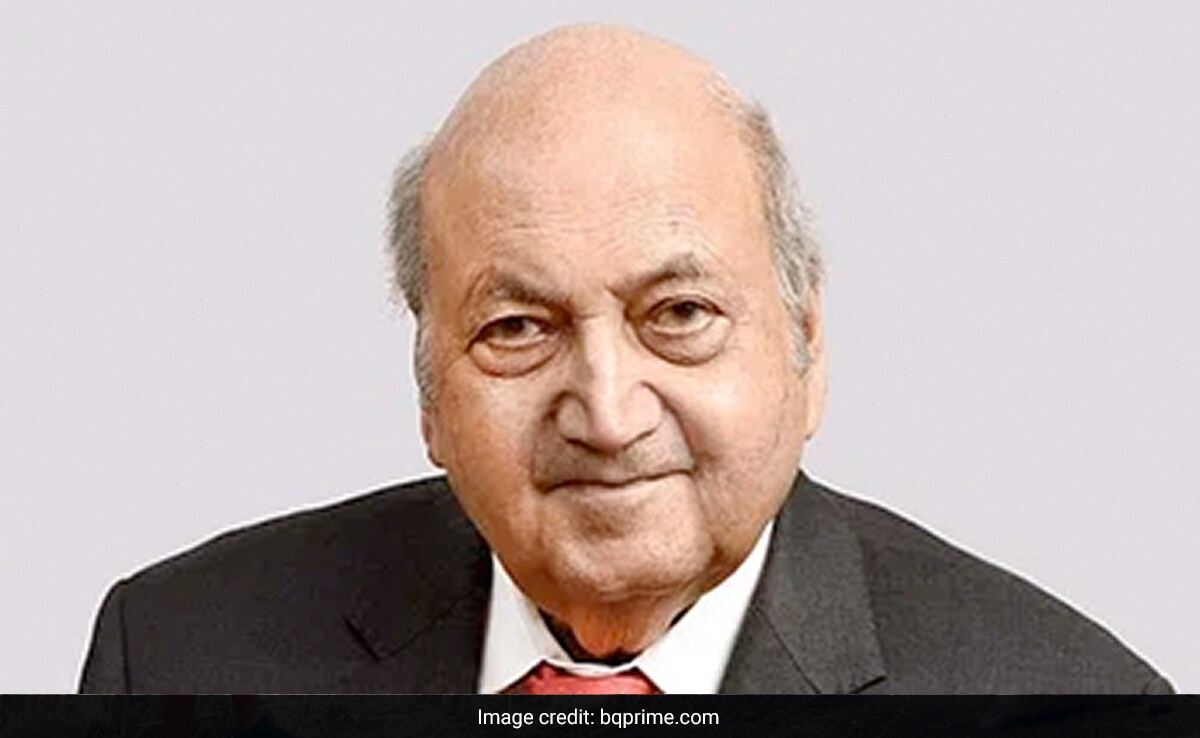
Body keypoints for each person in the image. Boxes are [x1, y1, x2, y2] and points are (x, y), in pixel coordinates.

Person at [79, 24, 1169, 694]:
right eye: (518, 328)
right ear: (428, 390)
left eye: (679, 314)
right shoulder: (177, 660)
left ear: (807, 346)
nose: (606, 415)